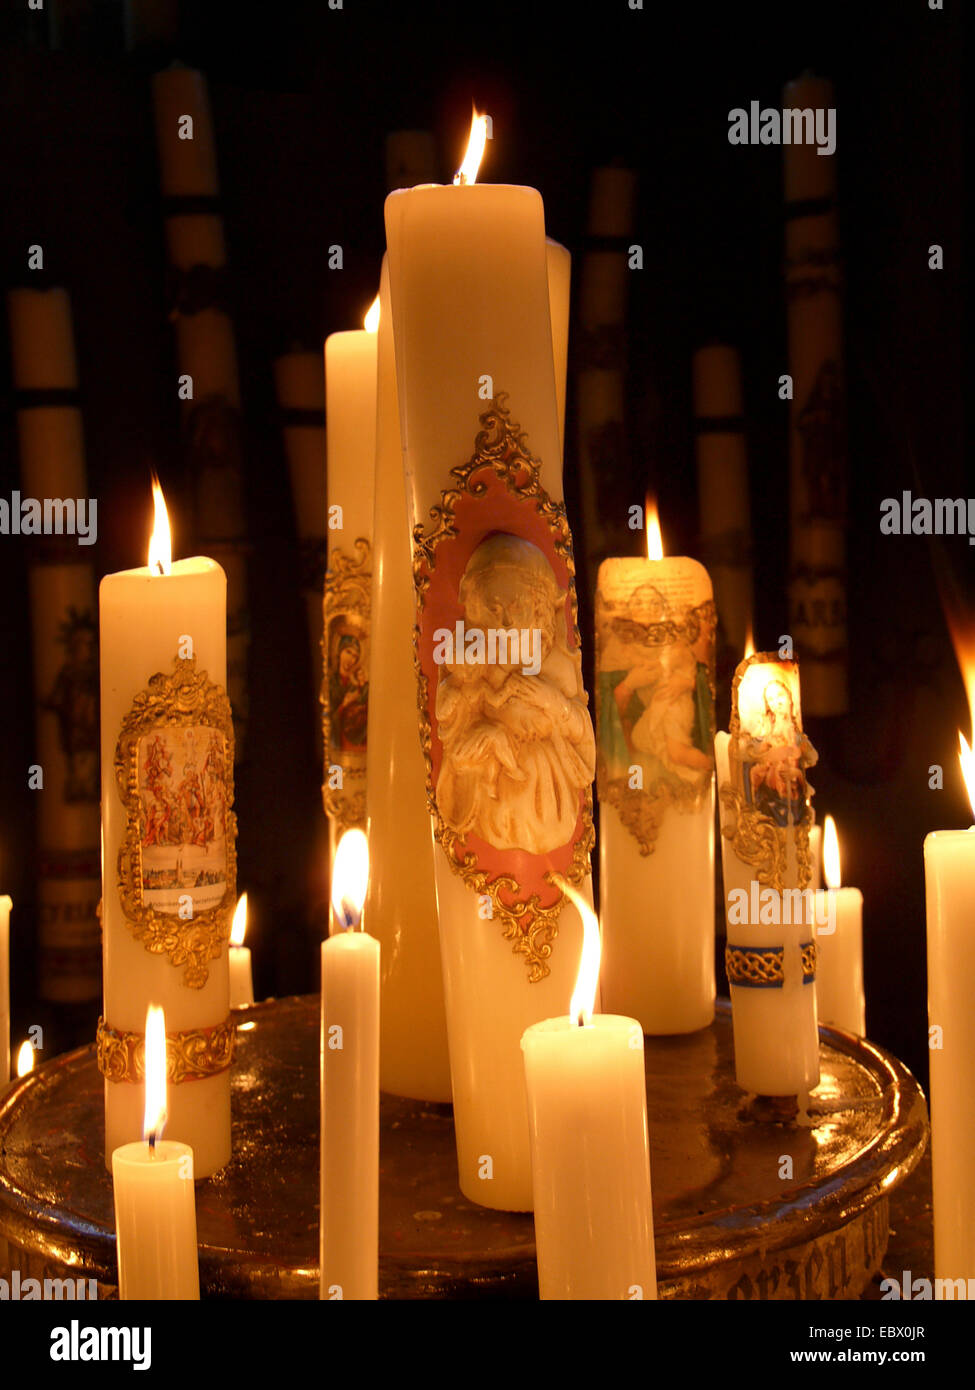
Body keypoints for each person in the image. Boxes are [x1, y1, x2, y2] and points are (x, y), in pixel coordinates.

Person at [435, 534, 595, 855]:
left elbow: (582, 736)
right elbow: (453, 727)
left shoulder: (555, 665)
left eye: (516, 607)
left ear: (537, 609)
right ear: (477, 613)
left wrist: (556, 704)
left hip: (547, 795)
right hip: (491, 794)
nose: (506, 622)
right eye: (493, 610)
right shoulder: (475, 664)